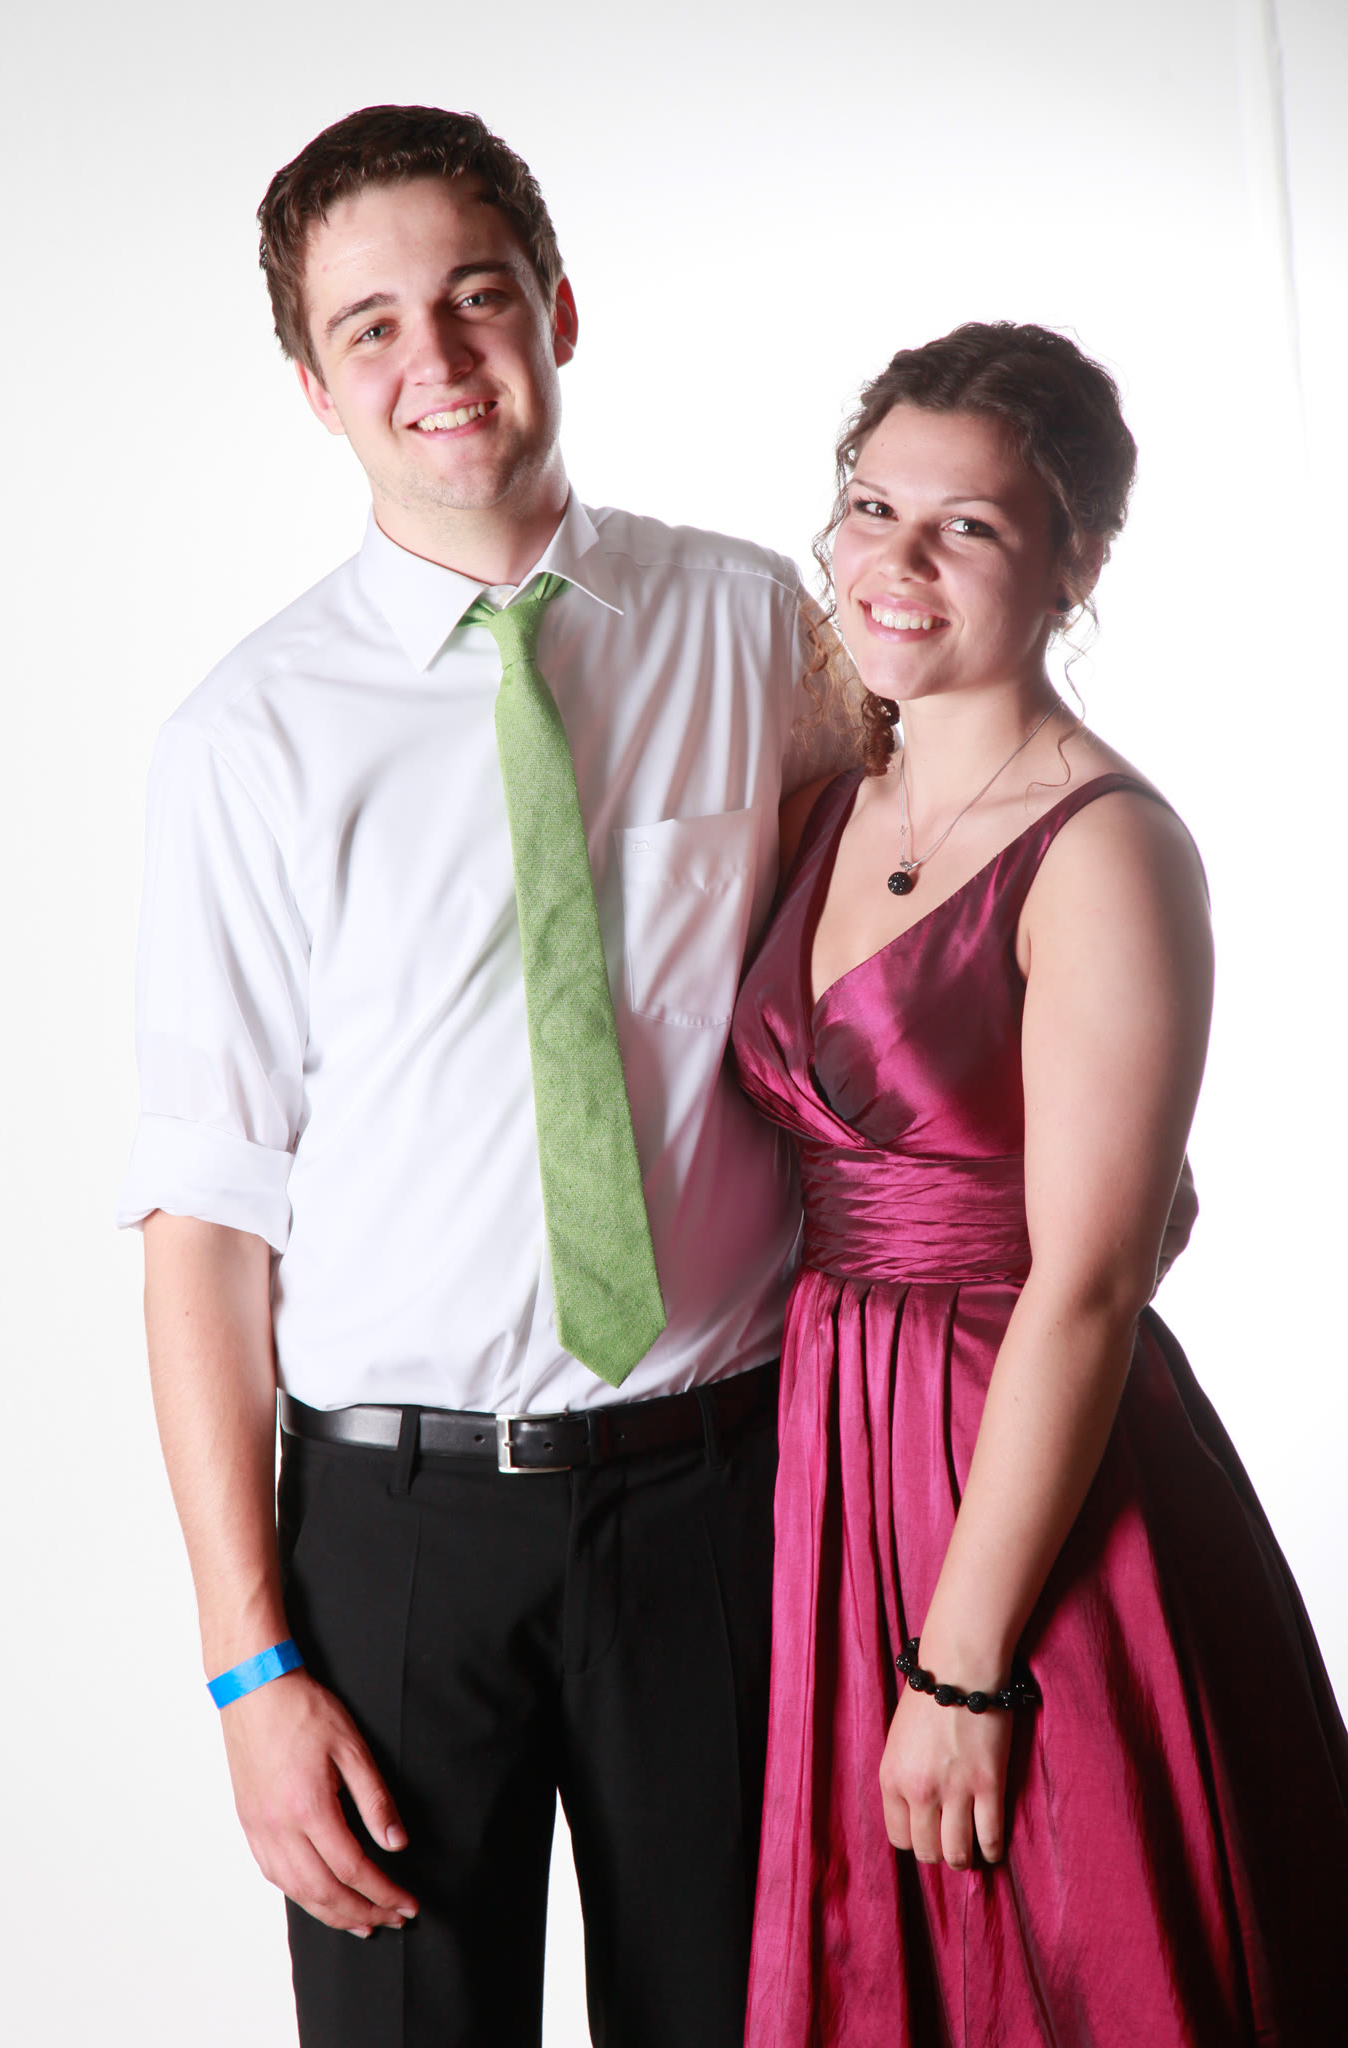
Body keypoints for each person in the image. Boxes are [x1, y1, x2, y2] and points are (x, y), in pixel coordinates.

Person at [118, 104, 853, 2048]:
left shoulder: (748, 624)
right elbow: (204, 1229)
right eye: (368, 326)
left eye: (474, 295)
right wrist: (246, 1672)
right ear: (311, 385)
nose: (433, 358)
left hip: (720, 1493)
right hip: (397, 1538)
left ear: (558, 310)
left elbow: (912, 912)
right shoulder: (246, 741)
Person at [730, 321, 1348, 2044]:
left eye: (969, 527)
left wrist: (963, 1663)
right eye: (871, 508)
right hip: (835, 1451)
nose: (896, 562)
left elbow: (1087, 1281)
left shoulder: (1107, 847)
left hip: (1022, 1474)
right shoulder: (824, 804)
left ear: (1075, 562)